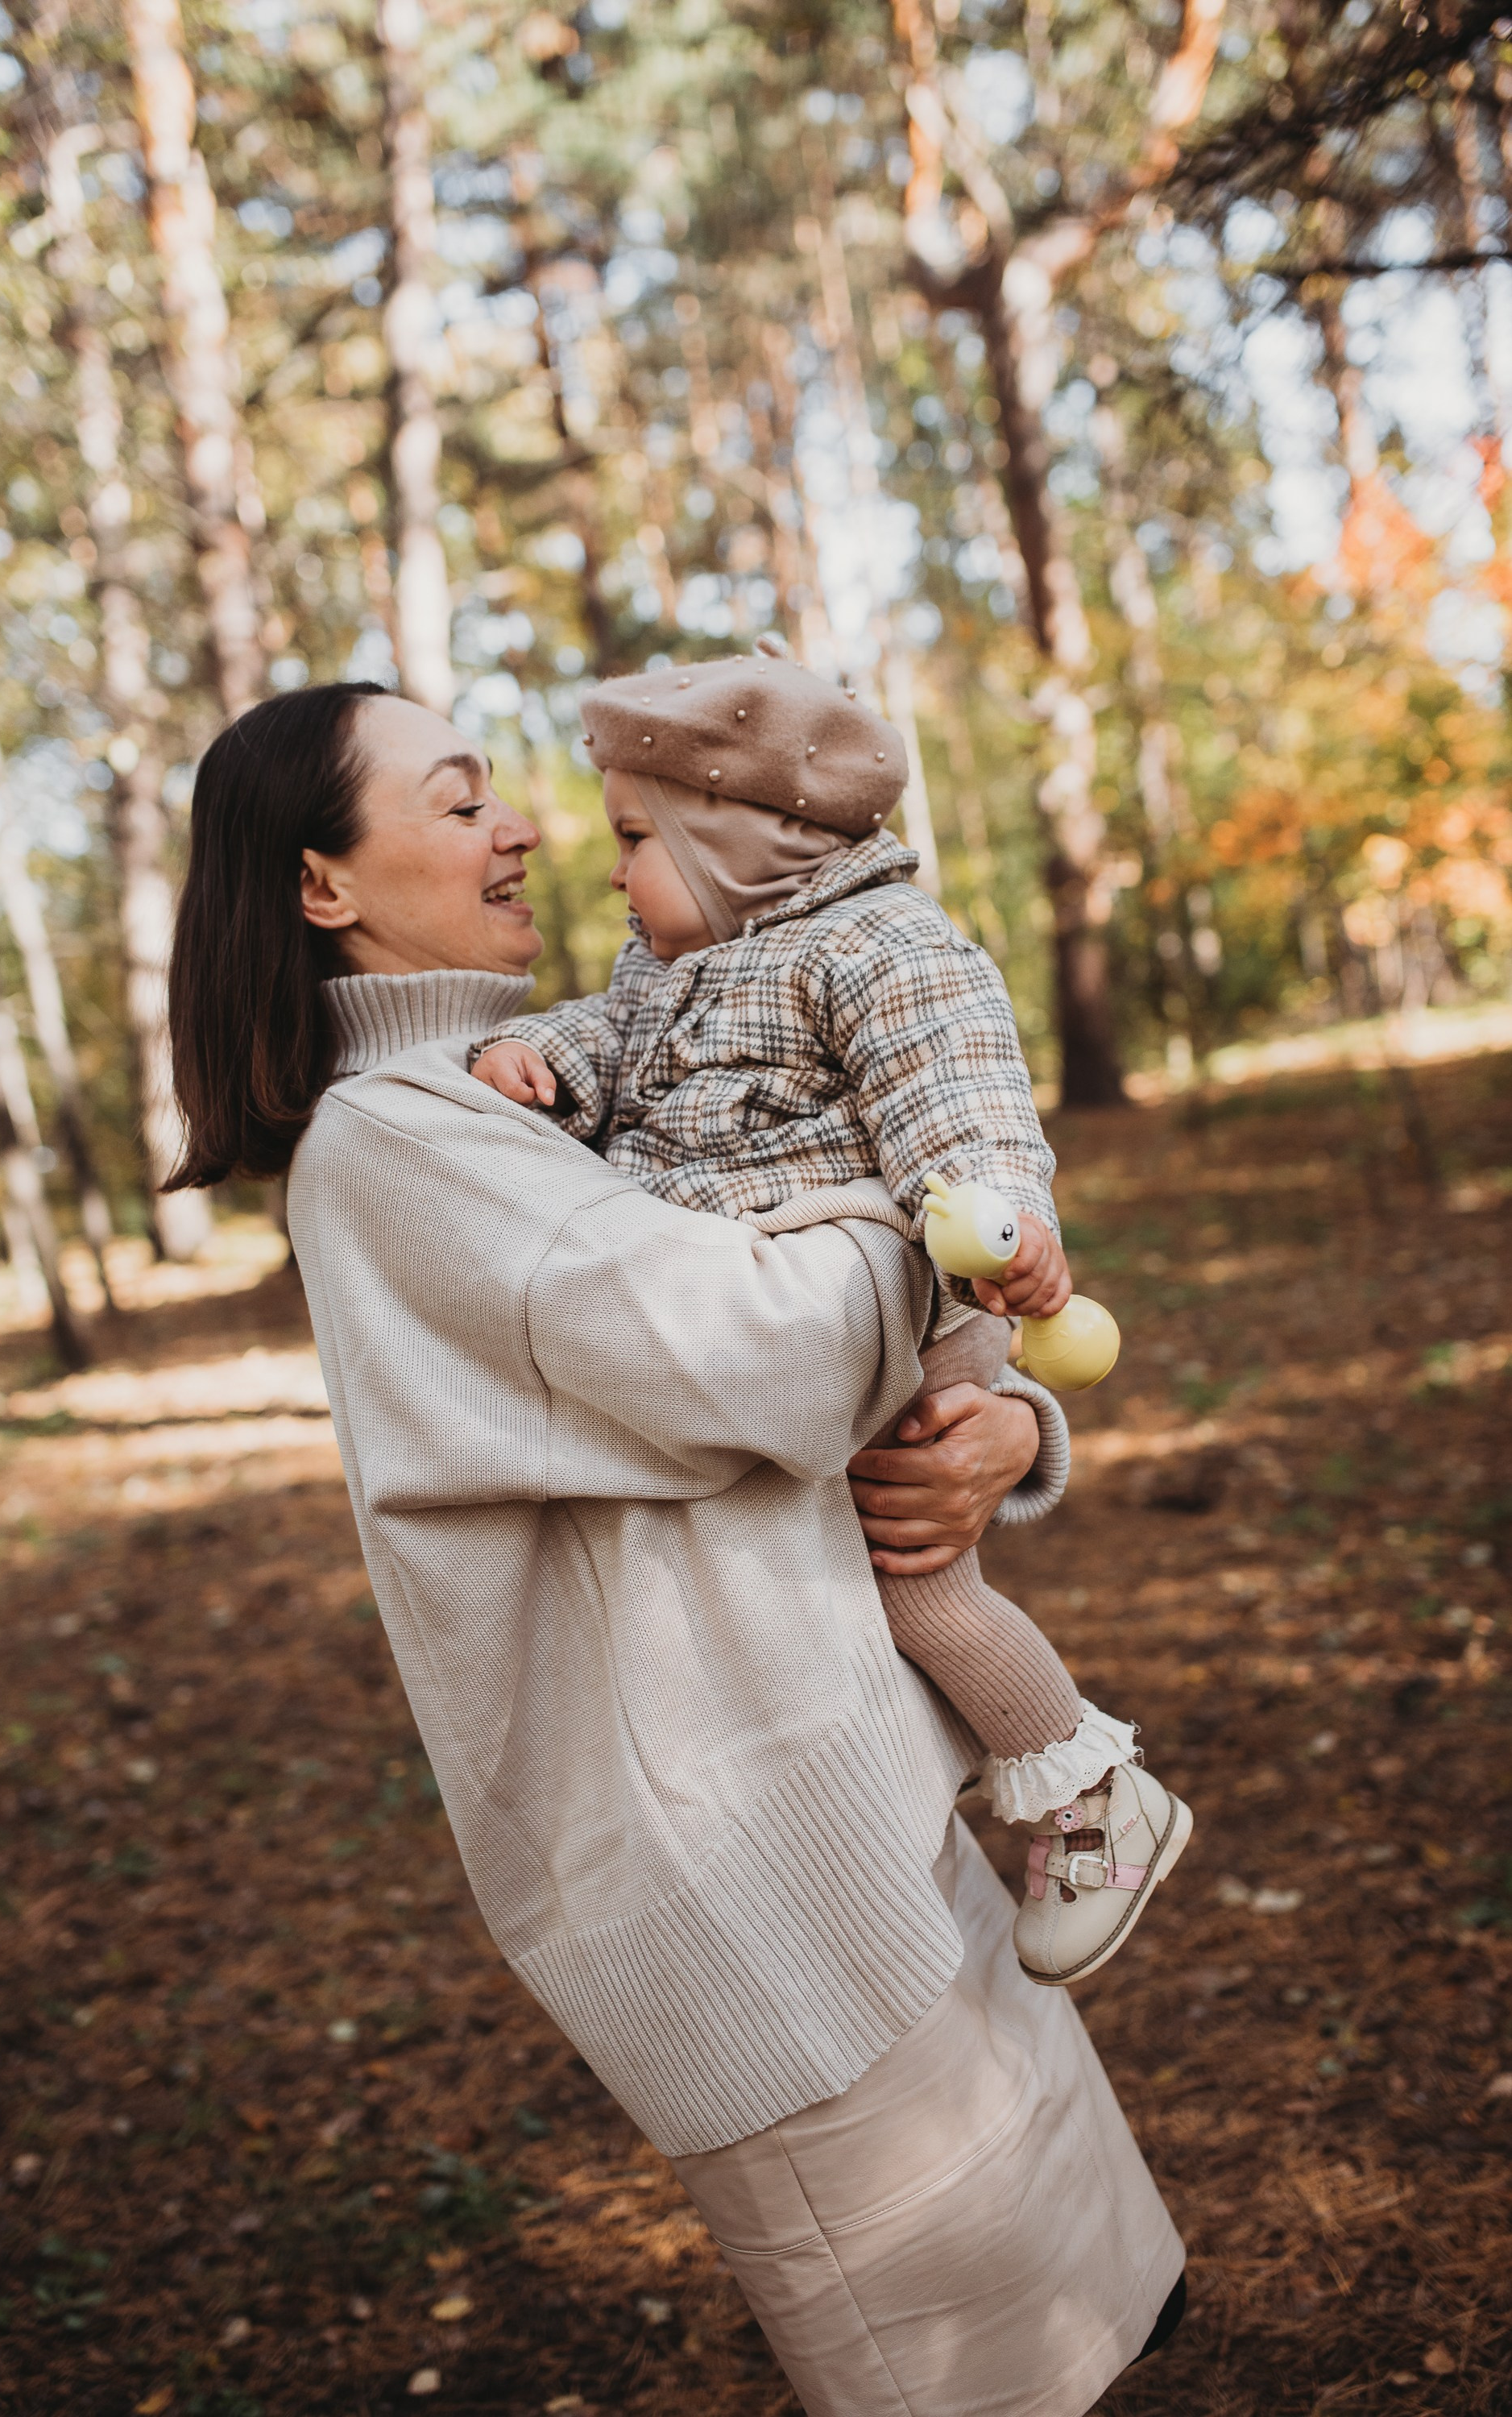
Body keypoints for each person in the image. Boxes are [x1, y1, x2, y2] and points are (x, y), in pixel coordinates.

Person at [166, 679, 1186, 2417]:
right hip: (730, 1848)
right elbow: (755, 1352)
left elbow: (787, 1367)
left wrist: (1008, 1430)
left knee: (1082, 2292)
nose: (526, 833)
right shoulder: (402, 1142)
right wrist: (910, 1197)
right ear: (324, 885)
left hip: (832, 1769)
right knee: (960, 2359)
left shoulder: (537, 1083)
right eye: (460, 799)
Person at [470, 641, 1191, 1988]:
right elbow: (607, 1044)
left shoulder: (880, 944)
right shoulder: (668, 965)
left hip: (908, 1318)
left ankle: (1091, 1789)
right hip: (774, 1325)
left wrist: (999, 1230)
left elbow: (958, 1097)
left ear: (739, 837)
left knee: (920, 1592)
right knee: (848, 1597)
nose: (614, 875)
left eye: (635, 840)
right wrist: (540, 1063)